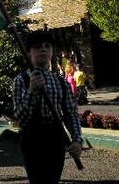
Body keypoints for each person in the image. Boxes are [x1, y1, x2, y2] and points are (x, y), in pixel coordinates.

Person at [13, 31, 83, 184]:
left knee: (52, 179)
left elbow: (71, 114)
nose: (43, 50)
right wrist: (31, 91)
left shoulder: (61, 82)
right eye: (37, 47)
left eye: (47, 46)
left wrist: (77, 140)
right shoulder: (22, 80)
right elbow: (20, 117)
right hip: (32, 140)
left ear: (52, 50)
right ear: (29, 52)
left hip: (55, 138)